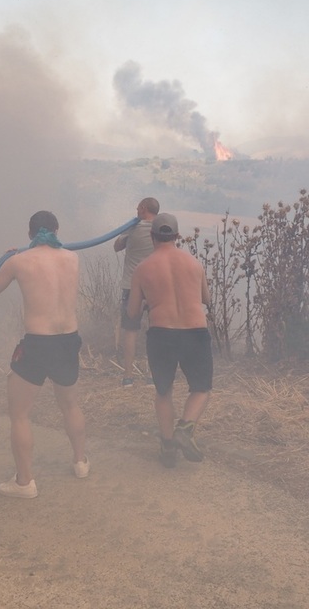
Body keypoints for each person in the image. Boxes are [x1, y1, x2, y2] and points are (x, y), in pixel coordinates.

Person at [0, 210, 89, 498]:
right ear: (56, 230)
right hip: (68, 340)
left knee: (19, 414)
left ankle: (24, 482)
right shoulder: (72, 258)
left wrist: (3, 260)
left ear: (30, 234)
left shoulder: (18, 261)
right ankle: (80, 462)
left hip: (38, 342)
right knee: (70, 405)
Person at [127, 213, 212, 468]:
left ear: (152, 237)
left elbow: (131, 313)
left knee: (163, 391)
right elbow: (206, 299)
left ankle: (167, 447)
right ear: (177, 237)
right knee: (201, 388)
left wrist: (146, 303)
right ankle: (185, 428)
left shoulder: (143, 269)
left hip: (161, 334)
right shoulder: (194, 264)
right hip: (195, 332)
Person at [113, 197, 160, 387]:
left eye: (137, 207)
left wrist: (128, 235)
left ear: (143, 208)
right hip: (154, 286)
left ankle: (128, 377)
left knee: (130, 330)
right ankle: (151, 377)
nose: (136, 209)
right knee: (154, 330)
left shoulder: (131, 228)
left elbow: (116, 247)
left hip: (131, 286)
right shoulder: (161, 230)